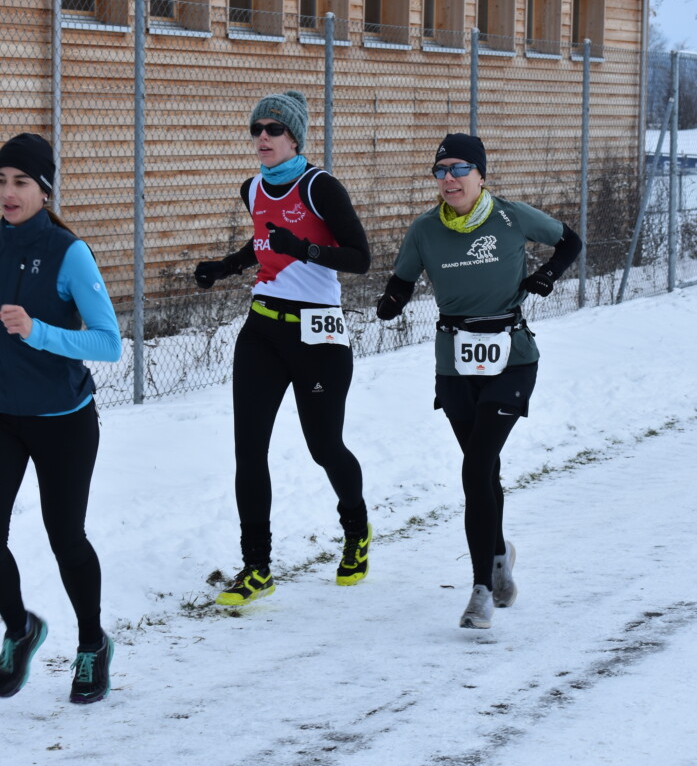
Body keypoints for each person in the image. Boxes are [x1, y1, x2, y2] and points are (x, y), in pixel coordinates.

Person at [374, 133, 582, 629]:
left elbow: (570, 241)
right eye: (440, 170)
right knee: (483, 470)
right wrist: (392, 301)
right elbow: (403, 279)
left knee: (476, 468)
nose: (449, 178)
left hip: (512, 359)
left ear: (481, 175)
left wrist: (548, 275)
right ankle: (499, 556)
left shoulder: (511, 217)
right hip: (455, 364)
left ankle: (481, 591)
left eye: (459, 168)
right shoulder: (425, 229)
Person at [0, 133, 122, 703]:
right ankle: (21, 629)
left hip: (62, 417)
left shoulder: (70, 252)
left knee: (66, 537)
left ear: (44, 191)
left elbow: (109, 342)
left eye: (21, 182)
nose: (8, 192)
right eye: (1, 181)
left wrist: (38, 331)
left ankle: (92, 644)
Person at [193, 90, 372, 607]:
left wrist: (307, 250)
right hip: (262, 330)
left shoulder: (320, 187)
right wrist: (225, 267)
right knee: (249, 450)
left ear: (295, 137)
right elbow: (263, 242)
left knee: (324, 447)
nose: (263, 137)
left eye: (273, 129)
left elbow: (360, 258)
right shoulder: (252, 189)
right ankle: (257, 567)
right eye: (256, 129)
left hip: (317, 336)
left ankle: (356, 529)